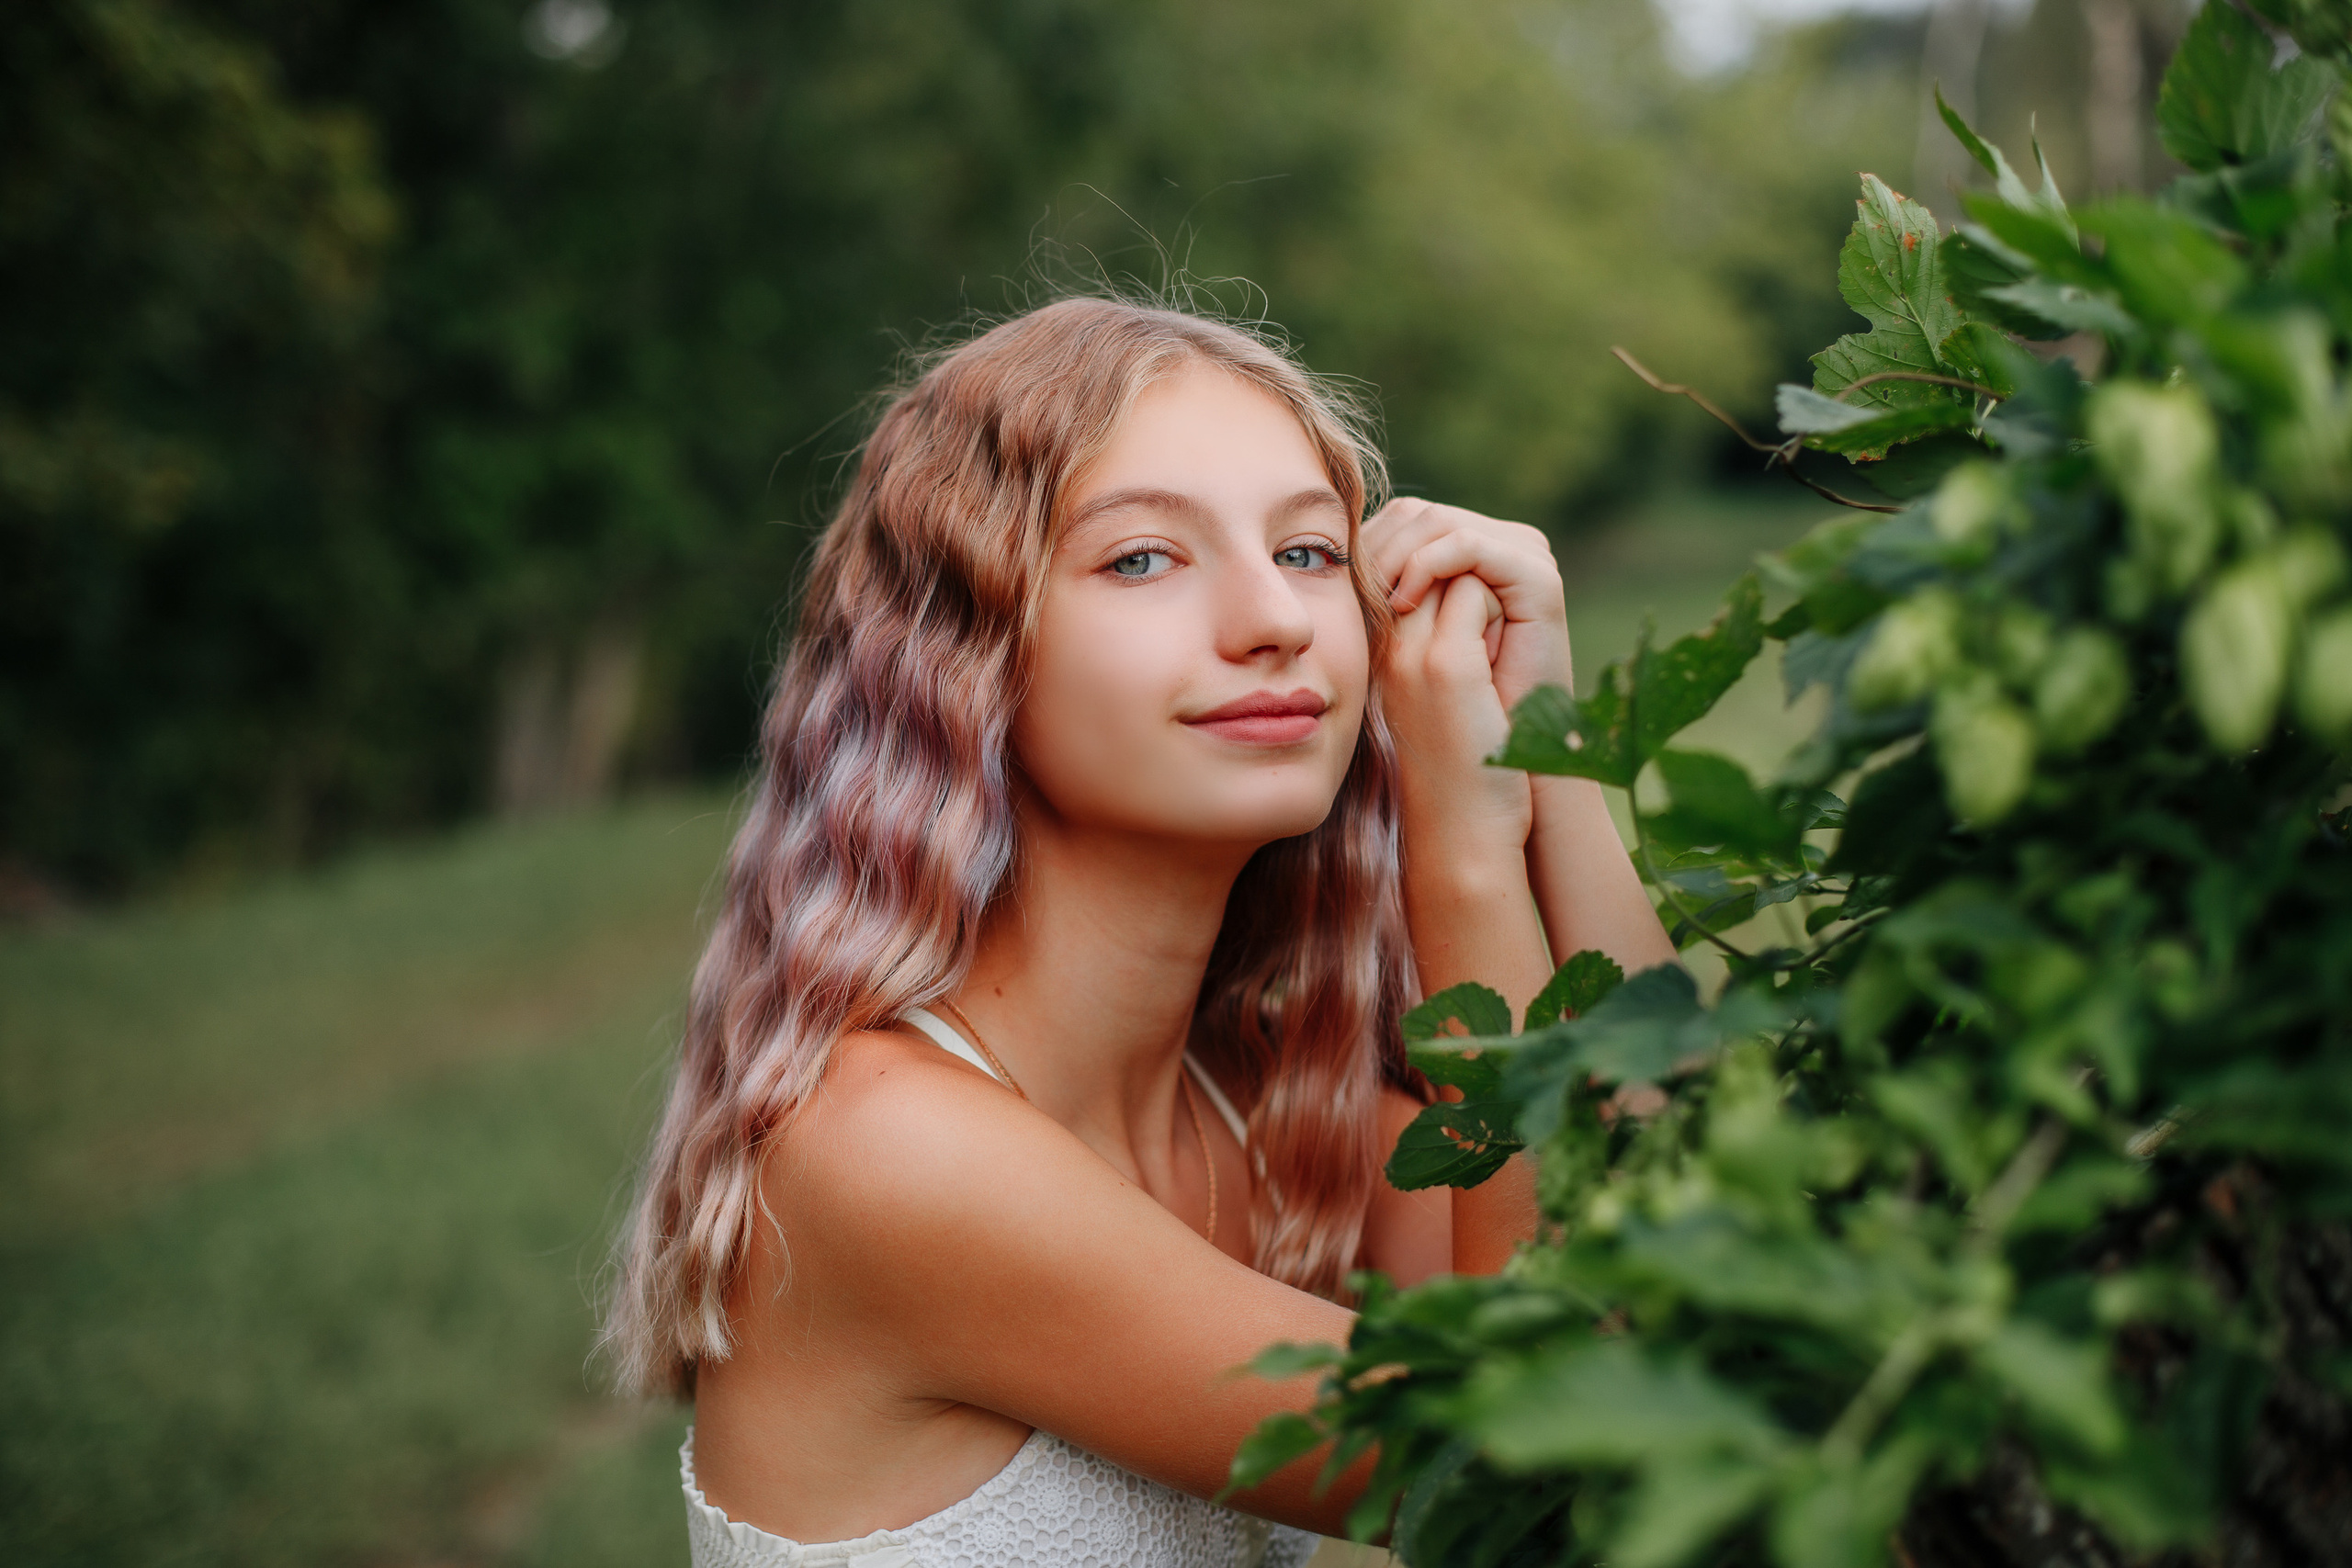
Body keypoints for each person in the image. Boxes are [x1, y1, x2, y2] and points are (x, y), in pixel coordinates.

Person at [604, 297, 1676, 1566]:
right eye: (1142, 560)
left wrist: (1553, 754)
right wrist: (1464, 851)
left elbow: (1685, 1230)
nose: (1271, 619)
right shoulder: (890, 1151)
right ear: (964, 661)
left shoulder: (1261, 1115)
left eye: (1310, 553)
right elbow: (1537, 1475)